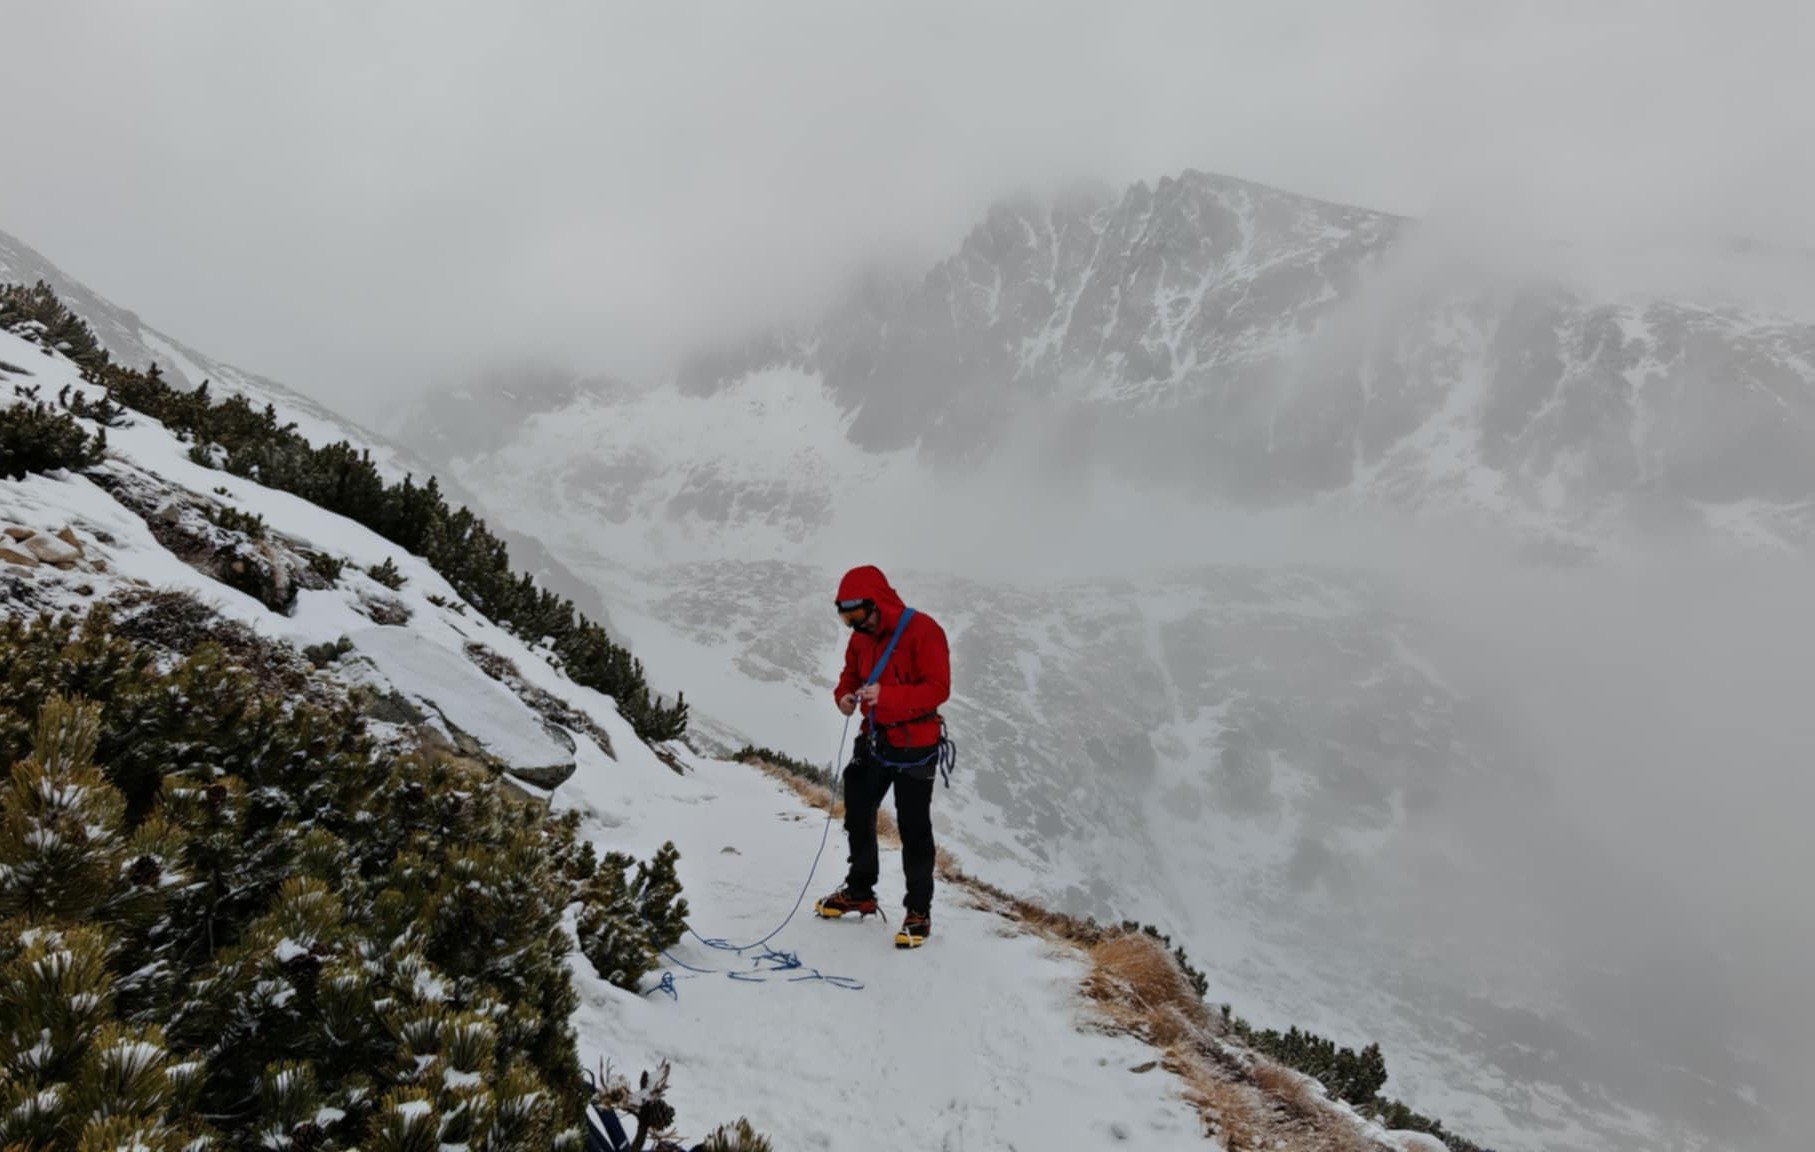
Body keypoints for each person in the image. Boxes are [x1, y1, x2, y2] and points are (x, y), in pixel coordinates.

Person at [813, 564, 950, 948]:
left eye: (858, 616)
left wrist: (888, 697)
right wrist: (843, 695)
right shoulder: (861, 637)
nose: (854, 626)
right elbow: (850, 676)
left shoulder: (923, 631)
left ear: (878, 603)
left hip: (915, 744)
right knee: (857, 807)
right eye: (846, 618)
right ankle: (860, 890)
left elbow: (938, 688)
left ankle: (918, 911)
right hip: (874, 739)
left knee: (913, 826)